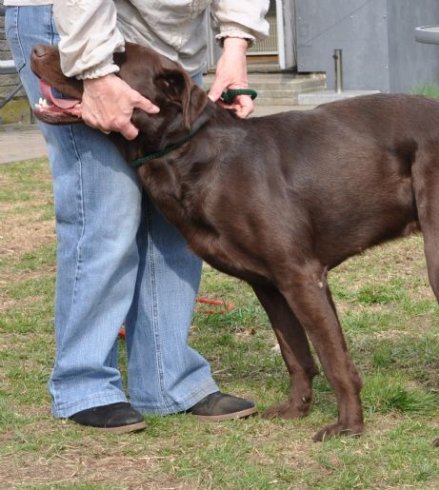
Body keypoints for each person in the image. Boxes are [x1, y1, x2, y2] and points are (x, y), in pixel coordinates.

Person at [4, 0, 268, 432]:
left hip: (169, 41)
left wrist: (236, 43)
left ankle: (168, 380)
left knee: (176, 214)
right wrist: (93, 70)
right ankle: (85, 384)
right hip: (77, 24)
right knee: (107, 210)